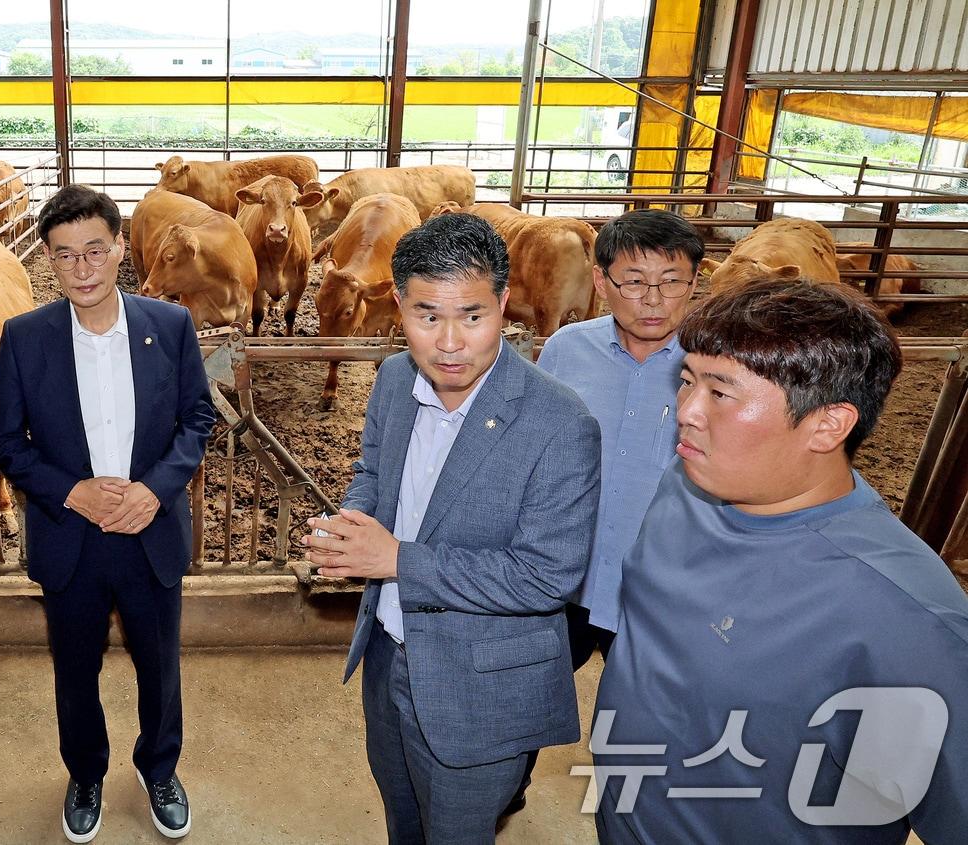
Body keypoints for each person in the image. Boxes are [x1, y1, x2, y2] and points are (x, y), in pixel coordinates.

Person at [592, 279, 968, 842]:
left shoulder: (906, 619)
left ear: (827, 424)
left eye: (721, 393)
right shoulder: (686, 484)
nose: (686, 411)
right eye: (687, 380)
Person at [302, 212, 601, 844]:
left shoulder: (560, 423)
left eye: (472, 315)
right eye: (426, 316)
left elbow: (548, 578)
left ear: (504, 302)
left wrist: (396, 561)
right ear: (398, 306)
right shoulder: (393, 381)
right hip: (389, 654)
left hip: (481, 683)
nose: (449, 342)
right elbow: (375, 476)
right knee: (402, 823)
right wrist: (351, 528)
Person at [0, 185, 216, 843]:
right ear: (48, 262)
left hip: (150, 529)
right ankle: (85, 771)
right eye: (65, 256)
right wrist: (71, 492)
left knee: (159, 664)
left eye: (94, 249)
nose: (83, 267)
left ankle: (158, 767)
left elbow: (197, 417)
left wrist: (156, 490)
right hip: (72, 536)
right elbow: (6, 441)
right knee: (75, 667)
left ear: (120, 246)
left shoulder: (168, 326)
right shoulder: (25, 338)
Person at [537, 208, 703, 669]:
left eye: (672, 281)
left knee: (643, 731)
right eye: (633, 282)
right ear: (600, 280)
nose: (653, 300)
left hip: (658, 593)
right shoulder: (565, 350)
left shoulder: (717, 367)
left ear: (694, 282)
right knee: (519, 716)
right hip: (563, 581)